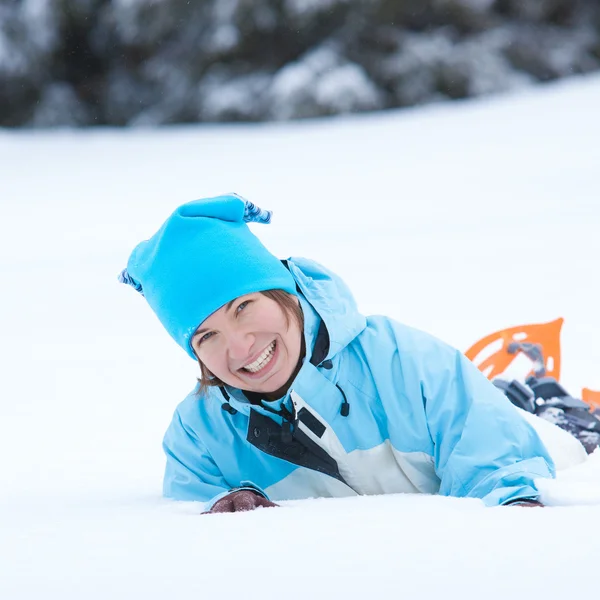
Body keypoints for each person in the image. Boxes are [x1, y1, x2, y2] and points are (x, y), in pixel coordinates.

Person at [119, 193, 587, 513]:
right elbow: (187, 520)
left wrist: (513, 507)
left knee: (564, 434)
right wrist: (227, 506)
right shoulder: (200, 435)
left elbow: (500, 462)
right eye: (207, 337)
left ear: (284, 294)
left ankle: (541, 397)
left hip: (532, 441)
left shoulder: (402, 361)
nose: (239, 347)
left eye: (244, 306)